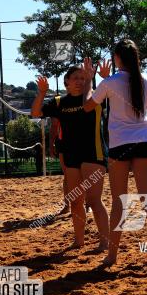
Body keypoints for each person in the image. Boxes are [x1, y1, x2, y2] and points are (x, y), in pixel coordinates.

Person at [83, 39, 147, 267]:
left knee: (118, 202)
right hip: (144, 141)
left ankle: (112, 256)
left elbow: (87, 106)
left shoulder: (110, 82)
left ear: (117, 58)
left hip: (120, 145)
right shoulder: (146, 80)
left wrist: (90, 80)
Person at [31, 65, 109, 250]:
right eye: (76, 78)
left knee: (94, 200)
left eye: (83, 78)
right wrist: (42, 92)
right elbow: (35, 113)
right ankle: (79, 241)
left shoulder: (95, 97)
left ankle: (105, 241)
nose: (80, 81)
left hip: (93, 153)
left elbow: (98, 97)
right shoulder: (59, 102)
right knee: (75, 200)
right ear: (66, 83)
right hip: (71, 155)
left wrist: (100, 79)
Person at [49, 117, 70, 216]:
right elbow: (54, 124)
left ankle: (87, 205)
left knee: (82, 174)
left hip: (80, 140)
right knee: (67, 175)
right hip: (63, 142)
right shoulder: (58, 102)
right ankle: (67, 206)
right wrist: (51, 144)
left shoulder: (84, 101)